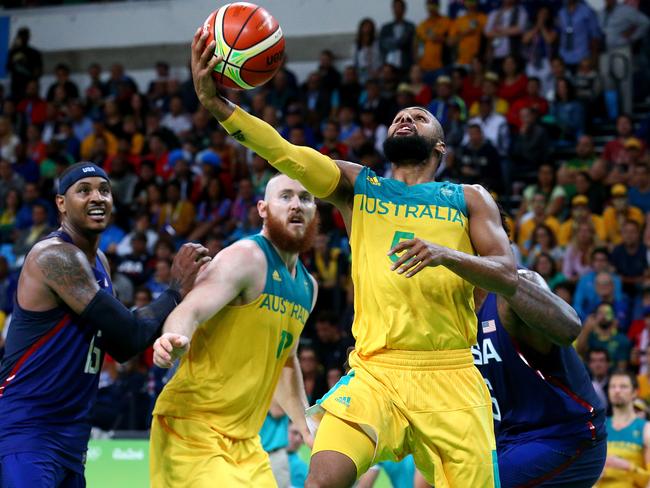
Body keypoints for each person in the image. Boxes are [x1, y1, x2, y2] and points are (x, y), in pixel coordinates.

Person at [191, 27, 517, 487]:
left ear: (440, 146)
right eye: (399, 117)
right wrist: (219, 106)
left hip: (452, 375)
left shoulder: (469, 198)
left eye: (419, 117)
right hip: (375, 371)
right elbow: (285, 153)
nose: (405, 119)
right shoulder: (359, 185)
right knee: (323, 480)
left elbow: (509, 276)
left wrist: (444, 254)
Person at [0, 162, 208, 486]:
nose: (97, 197)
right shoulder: (55, 257)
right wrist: (175, 290)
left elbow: (121, 346)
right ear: (60, 203)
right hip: (28, 430)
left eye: (104, 190)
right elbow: (129, 333)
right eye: (84, 191)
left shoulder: (100, 263)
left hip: (72, 437)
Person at [150, 173, 319, 486]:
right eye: (285, 196)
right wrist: (173, 337)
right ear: (263, 209)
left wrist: (307, 425)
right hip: (193, 428)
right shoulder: (245, 258)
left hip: (246, 442)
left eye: (305, 198)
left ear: (314, 211)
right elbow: (191, 310)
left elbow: (285, 361)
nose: (296, 205)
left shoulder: (308, 286)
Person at [472, 264, 606, 487]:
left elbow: (568, 329)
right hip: (504, 439)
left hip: (562, 435)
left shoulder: (516, 286)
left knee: (478, 483)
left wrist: (503, 276)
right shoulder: (447, 305)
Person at [598, 371, 650, 487]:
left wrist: (628, 466)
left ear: (635, 392)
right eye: (613, 386)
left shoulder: (646, 429)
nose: (617, 390)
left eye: (623, 386)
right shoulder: (599, 428)